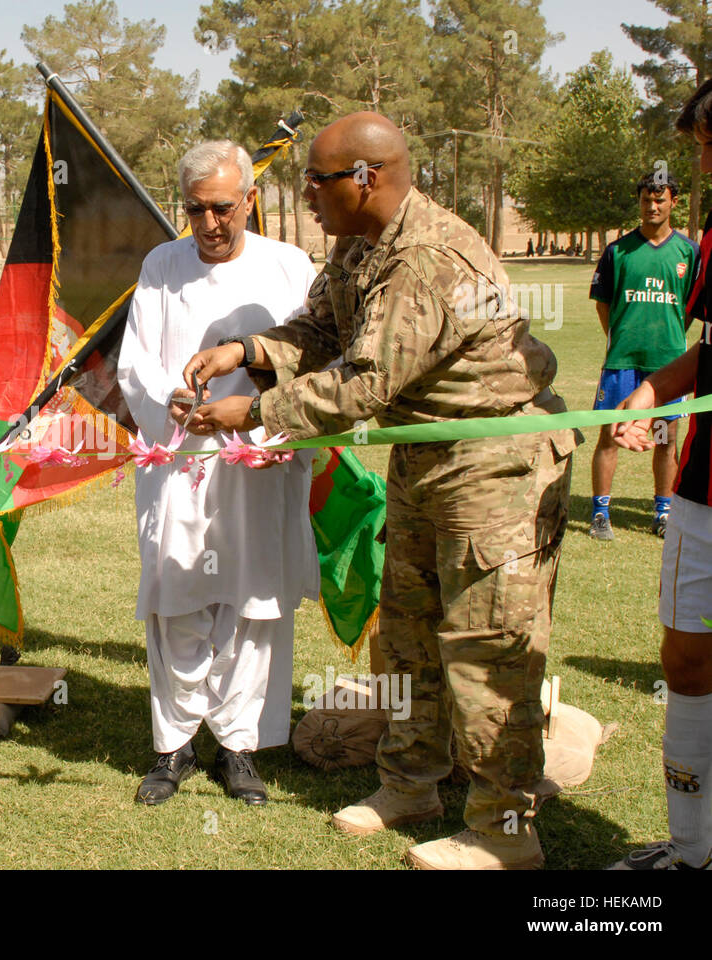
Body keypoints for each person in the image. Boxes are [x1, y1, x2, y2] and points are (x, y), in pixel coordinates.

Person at [183, 112, 577, 869]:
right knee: (405, 634)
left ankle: (503, 829)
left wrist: (254, 410)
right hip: (427, 459)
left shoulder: (425, 257)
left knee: (487, 647)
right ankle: (410, 786)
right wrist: (248, 350)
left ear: (366, 179)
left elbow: (365, 384)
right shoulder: (361, 245)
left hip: (494, 464)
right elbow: (322, 334)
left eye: (318, 181)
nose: (307, 196)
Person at [116, 140, 320, 807]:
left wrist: (251, 419)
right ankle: (173, 747)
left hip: (261, 462)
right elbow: (137, 363)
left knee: (255, 601)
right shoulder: (161, 266)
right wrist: (169, 406)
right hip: (178, 461)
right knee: (175, 597)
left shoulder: (290, 267)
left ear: (250, 200)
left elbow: (317, 359)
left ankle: (240, 747)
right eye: (197, 210)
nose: (210, 224)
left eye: (223, 208)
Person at [609, 80, 712, 871]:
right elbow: (710, 351)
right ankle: (690, 849)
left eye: (709, 146)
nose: (701, 164)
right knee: (684, 658)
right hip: (707, 488)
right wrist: (649, 391)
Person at [588, 174, 699, 540]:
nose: (653, 207)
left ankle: (663, 512)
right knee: (611, 435)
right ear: (638, 202)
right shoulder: (617, 251)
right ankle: (600, 513)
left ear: (673, 203)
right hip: (622, 362)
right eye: (646, 201)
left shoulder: (689, 253)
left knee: (666, 439)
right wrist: (621, 338)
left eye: (660, 200)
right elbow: (604, 304)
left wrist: (669, 340)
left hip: (668, 366)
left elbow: (689, 308)